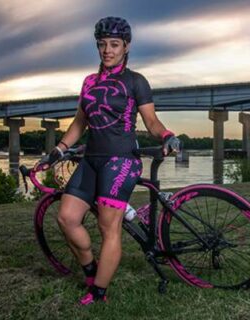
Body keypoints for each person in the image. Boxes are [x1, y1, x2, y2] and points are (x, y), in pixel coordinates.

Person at [38, 16, 181, 305]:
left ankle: (98, 291)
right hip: (90, 159)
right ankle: (91, 268)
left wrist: (167, 135)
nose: (107, 50)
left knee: (108, 226)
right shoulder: (89, 82)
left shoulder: (136, 81)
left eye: (114, 44)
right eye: (102, 44)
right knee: (67, 218)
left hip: (121, 161)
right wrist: (59, 149)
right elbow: (80, 123)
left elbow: (151, 122)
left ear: (126, 47)